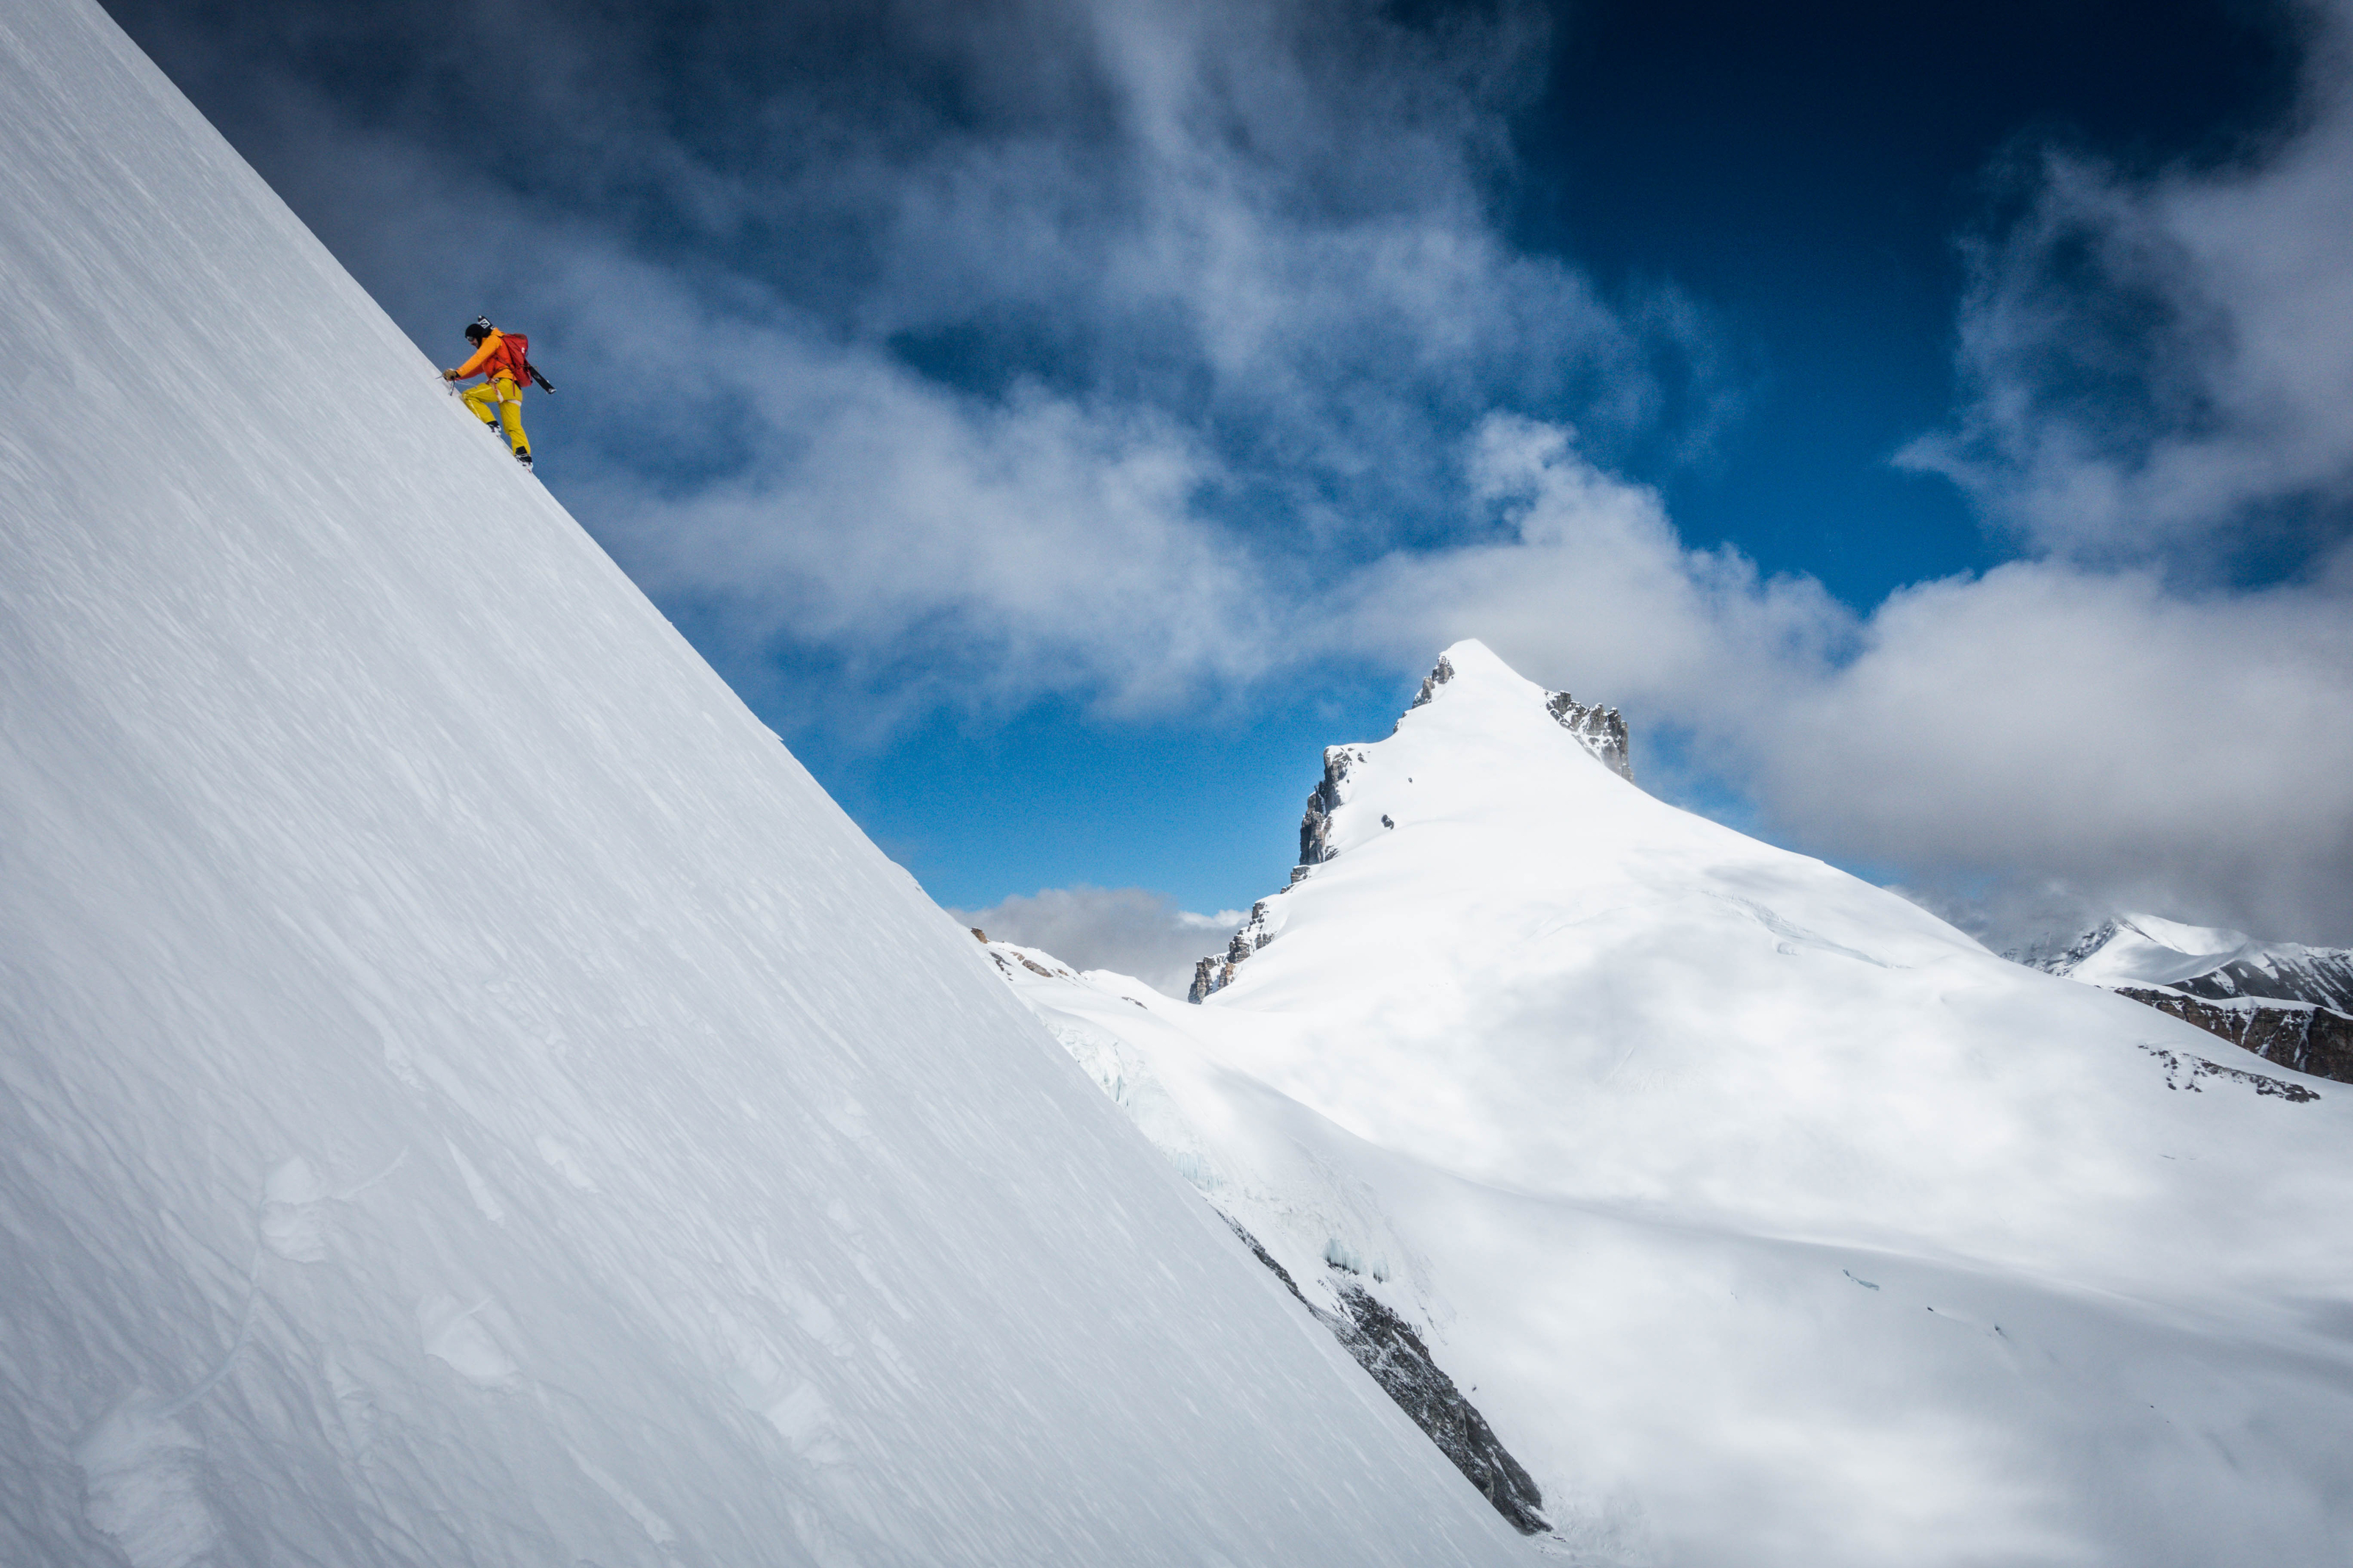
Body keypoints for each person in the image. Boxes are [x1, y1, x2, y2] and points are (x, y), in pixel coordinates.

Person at [442, 316, 533, 470]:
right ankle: (524, 457)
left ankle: (491, 425)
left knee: (469, 396)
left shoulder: (492, 340)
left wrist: (457, 372)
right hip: (515, 390)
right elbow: (477, 368)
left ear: (479, 335)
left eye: (471, 338)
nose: (471, 342)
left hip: (504, 384)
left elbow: (477, 358)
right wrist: (458, 377)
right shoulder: (494, 352)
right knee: (513, 426)